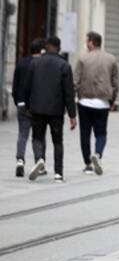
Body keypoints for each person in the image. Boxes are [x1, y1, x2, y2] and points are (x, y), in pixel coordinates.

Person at [23, 37, 77, 183]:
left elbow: (27, 87)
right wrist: (72, 115)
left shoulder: (35, 63)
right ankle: (58, 173)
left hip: (37, 108)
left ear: (46, 47)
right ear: (59, 48)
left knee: (37, 137)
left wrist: (27, 107)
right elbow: (69, 93)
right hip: (56, 110)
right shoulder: (64, 65)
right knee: (58, 141)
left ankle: (40, 159)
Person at [74, 31, 119, 176]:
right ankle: (98, 154)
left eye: (87, 41)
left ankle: (87, 164)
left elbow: (76, 81)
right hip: (103, 102)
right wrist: (112, 100)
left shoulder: (82, 59)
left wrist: (74, 98)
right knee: (101, 133)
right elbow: (115, 83)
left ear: (91, 43)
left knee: (85, 133)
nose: (86, 43)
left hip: (85, 101)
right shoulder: (111, 59)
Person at [11, 37, 46, 178]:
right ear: (42, 50)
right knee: (38, 135)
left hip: (21, 103)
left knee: (22, 134)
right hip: (37, 104)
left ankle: (20, 160)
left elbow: (15, 86)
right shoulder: (42, 64)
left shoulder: (21, 63)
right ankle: (39, 161)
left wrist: (18, 101)